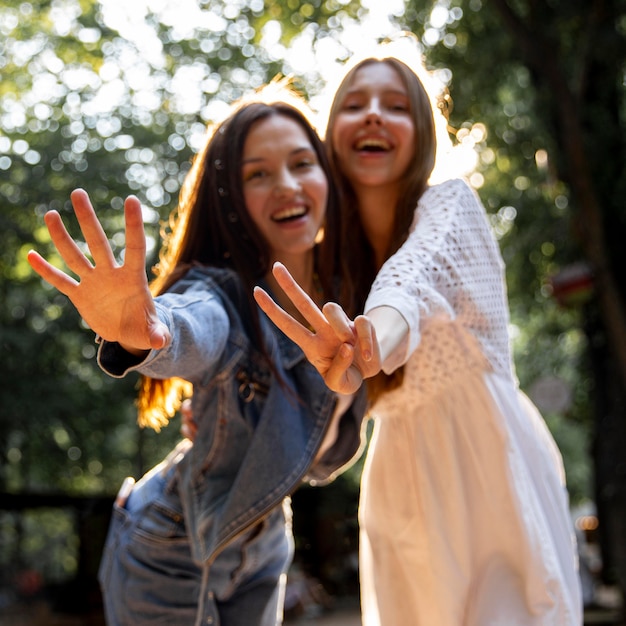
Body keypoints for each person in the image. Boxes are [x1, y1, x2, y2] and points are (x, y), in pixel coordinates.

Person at [254, 49, 584, 625]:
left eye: (396, 105)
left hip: (489, 471)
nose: (374, 115)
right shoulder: (330, 262)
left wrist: (367, 342)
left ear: (423, 130)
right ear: (332, 136)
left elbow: (413, 284)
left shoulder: (450, 205)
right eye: (354, 105)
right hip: (400, 489)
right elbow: (311, 408)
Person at [27, 83, 366, 626]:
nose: (286, 185)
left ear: (327, 176)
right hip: (170, 543)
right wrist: (146, 330)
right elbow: (193, 327)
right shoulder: (221, 293)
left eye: (303, 163)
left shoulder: (349, 305)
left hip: (266, 541)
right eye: (257, 173)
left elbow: (321, 461)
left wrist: (343, 388)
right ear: (229, 196)